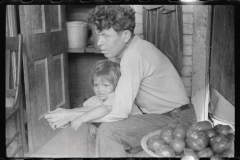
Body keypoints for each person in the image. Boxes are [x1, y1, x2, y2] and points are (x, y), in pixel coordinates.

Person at [45, 5, 197, 157]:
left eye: (106, 36)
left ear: (125, 36)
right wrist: (68, 114)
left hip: (177, 119)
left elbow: (119, 112)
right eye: (99, 35)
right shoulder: (133, 49)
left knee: (109, 131)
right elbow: (110, 106)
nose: (99, 43)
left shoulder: (133, 56)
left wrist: (73, 116)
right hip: (162, 115)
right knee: (98, 121)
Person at [70, 59, 142, 133]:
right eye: (96, 85)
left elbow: (106, 108)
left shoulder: (117, 95)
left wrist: (81, 119)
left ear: (116, 85)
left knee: (105, 126)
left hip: (135, 125)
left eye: (105, 85)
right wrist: (90, 125)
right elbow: (87, 110)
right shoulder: (95, 99)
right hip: (119, 126)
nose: (100, 89)